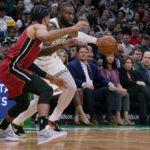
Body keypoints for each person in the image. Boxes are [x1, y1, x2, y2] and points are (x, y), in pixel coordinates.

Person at [0, 5, 88, 144]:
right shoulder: (37, 27)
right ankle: (43, 131)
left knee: (23, 104)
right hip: (12, 68)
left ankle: (2, 129)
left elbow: (35, 58)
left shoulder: (32, 34)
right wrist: (72, 29)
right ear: (46, 18)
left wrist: (52, 77)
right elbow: (46, 37)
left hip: (11, 69)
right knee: (46, 90)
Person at [68, 45, 116, 125]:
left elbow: (100, 79)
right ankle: (92, 117)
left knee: (109, 90)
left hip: (93, 90)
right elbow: (73, 79)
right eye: (81, 52)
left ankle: (109, 116)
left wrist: (109, 83)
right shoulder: (72, 65)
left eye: (86, 52)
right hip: (81, 91)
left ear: (88, 54)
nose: (83, 54)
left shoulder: (92, 66)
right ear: (78, 54)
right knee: (88, 90)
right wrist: (84, 84)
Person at [100, 54, 134, 125]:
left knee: (126, 93)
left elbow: (118, 83)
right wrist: (119, 90)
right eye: (108, 56)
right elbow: (105, 83)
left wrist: (122, 89)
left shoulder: (115, 70)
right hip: (107, 90)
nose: (110, 58)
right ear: (105, 57)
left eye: (112, 56)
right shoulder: (102, 69)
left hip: (116, 88)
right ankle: (118, 117)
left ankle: (126, 118)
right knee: (119, 94)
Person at [119, 55, 150, 125]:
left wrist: (137, 83)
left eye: (131, 63)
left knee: (141, 95)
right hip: (125, 92)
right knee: (140, 87)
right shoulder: (120, 71)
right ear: (123, 64)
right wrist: (137, 82)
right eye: (127, 63)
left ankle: (143, 119)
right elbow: (124, 82)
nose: (129, 65)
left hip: (133, 93)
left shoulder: (131, 72)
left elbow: (134, 84)